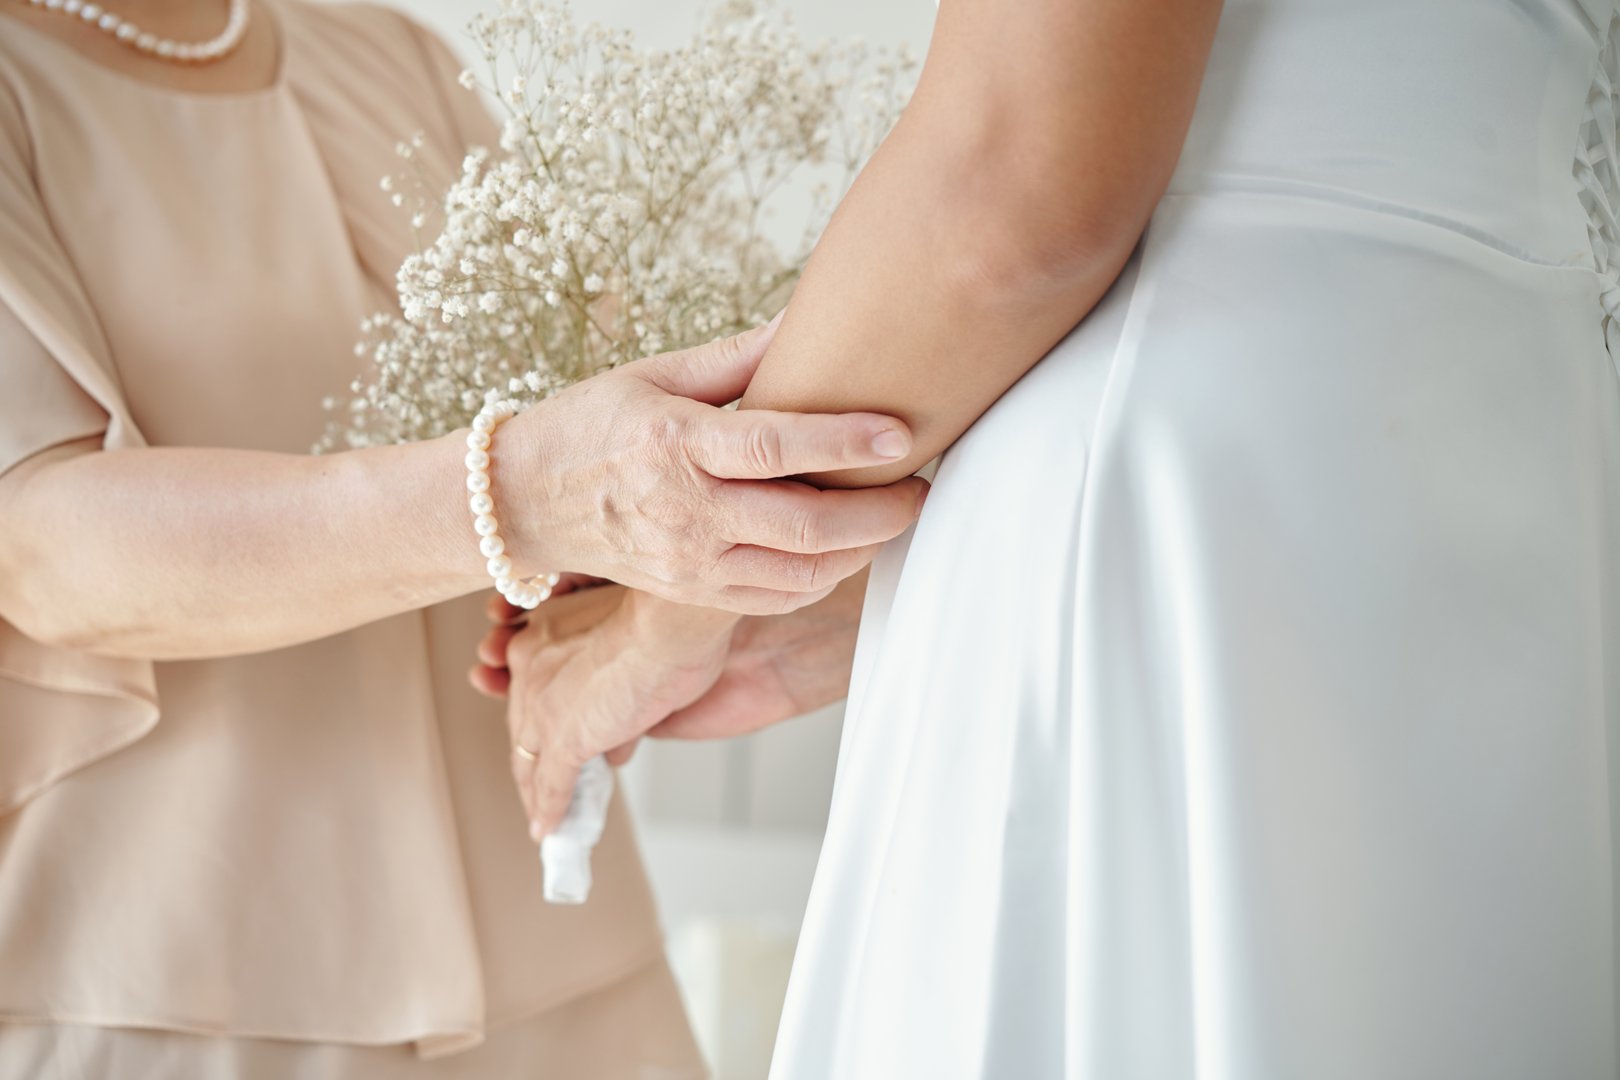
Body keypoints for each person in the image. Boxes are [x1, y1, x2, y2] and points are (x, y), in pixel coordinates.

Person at [479, 0, 1620, 1075]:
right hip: (1498, 434)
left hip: (1178, 466)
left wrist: (665, 613)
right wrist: (840, 597)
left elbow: (1016, 184)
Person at [0, 0, 928, 1074]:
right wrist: (522, 495)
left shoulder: (389, 58)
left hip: (556, 947)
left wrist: (687, 604)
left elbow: (604, 386)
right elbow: (36, 546)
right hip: (178, 969)